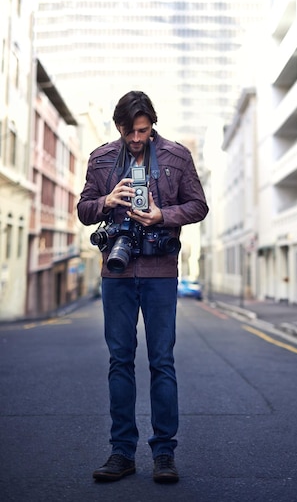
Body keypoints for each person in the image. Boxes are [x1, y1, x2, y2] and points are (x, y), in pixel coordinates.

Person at [77, 91, 208, 484]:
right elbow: (83, 211)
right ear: (118, 127)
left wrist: (161, 215)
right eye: (129, 131)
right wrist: (106, 200)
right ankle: (122, 453)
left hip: (160, 270)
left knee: (161, 362)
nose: (136, 138)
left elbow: (198, 206)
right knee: (120, 361)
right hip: (116, 272)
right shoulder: (101, 158)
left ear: (152, 124)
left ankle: (164, 453)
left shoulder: (176, 156)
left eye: (143, 130)